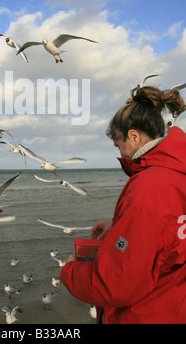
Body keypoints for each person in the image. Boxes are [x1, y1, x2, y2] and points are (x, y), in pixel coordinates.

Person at [60, 86, 186, 324]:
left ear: (134, 137)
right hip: (176, 306)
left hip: (146, 314)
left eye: (119, 145)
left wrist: (70, 271)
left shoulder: (149, 188)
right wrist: (121, 223)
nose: (121, 154)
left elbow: (116, 283)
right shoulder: (178, 174)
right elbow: (170, 226)